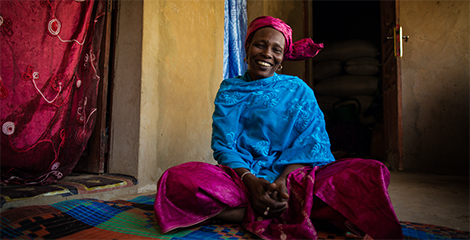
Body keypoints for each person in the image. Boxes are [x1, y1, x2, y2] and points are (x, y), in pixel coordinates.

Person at [154, 16, 404, 240]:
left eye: (277, 50)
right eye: (260, 44)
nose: (267, 54)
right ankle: (291, 210)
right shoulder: (230, 89)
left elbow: (311, 143)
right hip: (242, 178)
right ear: (247, 47)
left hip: (296, 179)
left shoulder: (298, 89)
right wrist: (252, 182)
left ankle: (250, 211)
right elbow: (223, 145)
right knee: (176, 180)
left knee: (371, 172)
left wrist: (284, 180)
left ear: (283, 58)